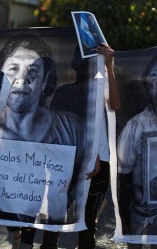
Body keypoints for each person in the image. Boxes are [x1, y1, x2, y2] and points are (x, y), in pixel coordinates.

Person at [0, 33, 85, 249]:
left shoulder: (71, 128)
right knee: (13, 219)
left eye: (33, 70)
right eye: (13, 68)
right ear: (0, 74)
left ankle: (26, 240)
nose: (22, 77)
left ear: (46, 80)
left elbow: (76, 179)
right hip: (7, 203)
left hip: (41, 212)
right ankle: (16, 232)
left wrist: (93, 158)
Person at [41, 43, 121, 249]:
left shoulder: (103, 85)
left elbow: (115, 104)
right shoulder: (64, 93)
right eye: (83, 61)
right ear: (74, 65)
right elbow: (56, 131)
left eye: (93, 60)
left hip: (99, 162)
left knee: (87, 226)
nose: (86, 66)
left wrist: (110, 66)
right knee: (54, 221)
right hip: (67, 162)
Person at [117, 54, 157, 249]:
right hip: (141, 217)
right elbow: (122, 177)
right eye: (154, 78)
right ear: (148, 88)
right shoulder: (136, 127)